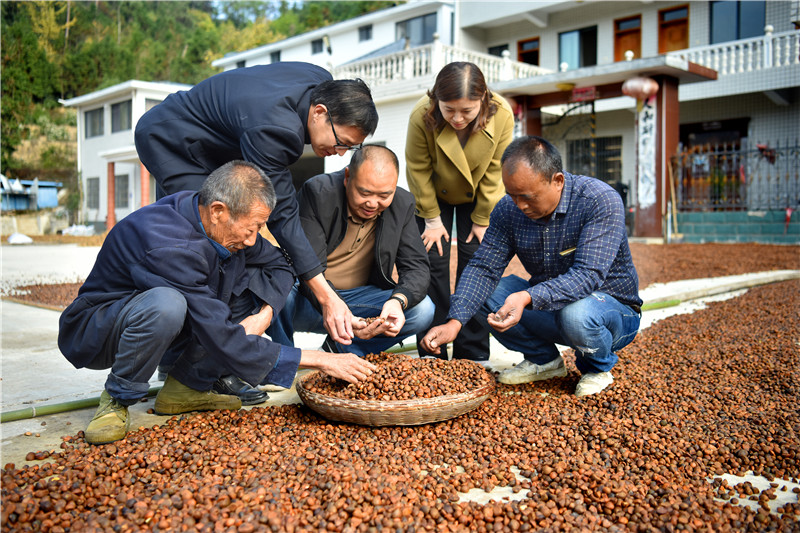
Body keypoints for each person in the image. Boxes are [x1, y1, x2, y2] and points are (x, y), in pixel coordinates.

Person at [58, 161, 375, 445]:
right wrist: (319, 359)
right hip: (99, 328)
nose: (253, 240)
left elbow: (280, 263)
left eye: (259, 229)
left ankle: (186, 387)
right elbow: (221, 335)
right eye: (250, 229)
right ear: (219, 210)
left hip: (165, 321)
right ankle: (117, 397)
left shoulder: (215, 221)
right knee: (166, 304)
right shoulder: (169, 245)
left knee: (251, 284)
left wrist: (265, 314)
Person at [135, 62, 379, 399]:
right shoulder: (275, 129)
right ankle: (191, 373)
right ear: (320, 111)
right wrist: (328, 297)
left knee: (226, 248)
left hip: (214, 148)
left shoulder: (320, 82)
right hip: (174, 141)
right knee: (213, 243)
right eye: (341, 142)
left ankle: (190, 364)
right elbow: (284, 216)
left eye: (349, 148)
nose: (339, 155)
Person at [420, 136, 642, 397]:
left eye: (528, 197)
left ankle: (596, 368)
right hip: (553, 309)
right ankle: (543, 361)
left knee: (576, 313)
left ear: (557, 181)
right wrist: (455, 323)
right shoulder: (508, 210)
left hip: (610, 314)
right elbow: (483, 267)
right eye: (512, 195)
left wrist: (527, 296)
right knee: (483, 293)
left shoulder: (599, 201)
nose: (520, 205)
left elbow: (587, 276)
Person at [268, 145, 435, 356]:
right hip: (308, 300)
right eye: (364, 192)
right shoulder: (318, 193)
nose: (373, 203)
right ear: (347, 177)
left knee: (422, 310)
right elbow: (306, 264)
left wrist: (397, 301)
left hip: (358, 303)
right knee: (279, 285)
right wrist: (331, 302)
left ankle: (339, 349)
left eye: (384, 195)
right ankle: (284, 360)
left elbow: (417, 267)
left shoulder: (402, 204)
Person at [405, 61, 514, 362]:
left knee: (475, 268)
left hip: (480, 195)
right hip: (431, 196)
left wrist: (482, 219)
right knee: (431, 267)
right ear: (435, 99)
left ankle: (474, 354)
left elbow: (496, 170)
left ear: (483, 100)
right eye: (448, 109)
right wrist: (431, 219)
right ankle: (432, 350)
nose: (456, 118)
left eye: (466, 111)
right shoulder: (421, 115)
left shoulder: (502, 114)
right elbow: (418, 169)